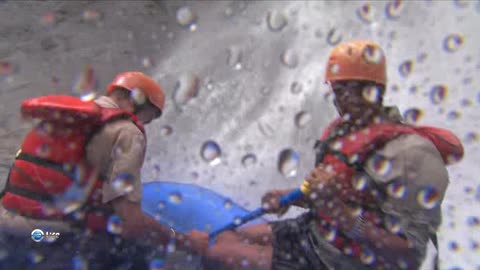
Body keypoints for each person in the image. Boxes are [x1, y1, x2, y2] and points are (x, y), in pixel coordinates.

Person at [199, 40, 464, 270]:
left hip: (344, 262)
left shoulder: (413, 155)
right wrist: (292, 197)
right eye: (336, 91)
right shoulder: (342, 133)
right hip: (316, 232)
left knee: (218, 254)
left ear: (374, 91)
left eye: (347, 92)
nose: (339, 101)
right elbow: (332, 192)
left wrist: (342, 216)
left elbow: (408, 256)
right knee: (224, 239)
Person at [0, 71, 207, 269]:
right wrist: (184, 239)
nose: (145, 124)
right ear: (137, 103)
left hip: (7, 224)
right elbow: (132, 224)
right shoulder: (127, 132)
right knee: (137, 251)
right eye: (148, 118)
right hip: (48, 236)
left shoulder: (67, 116)